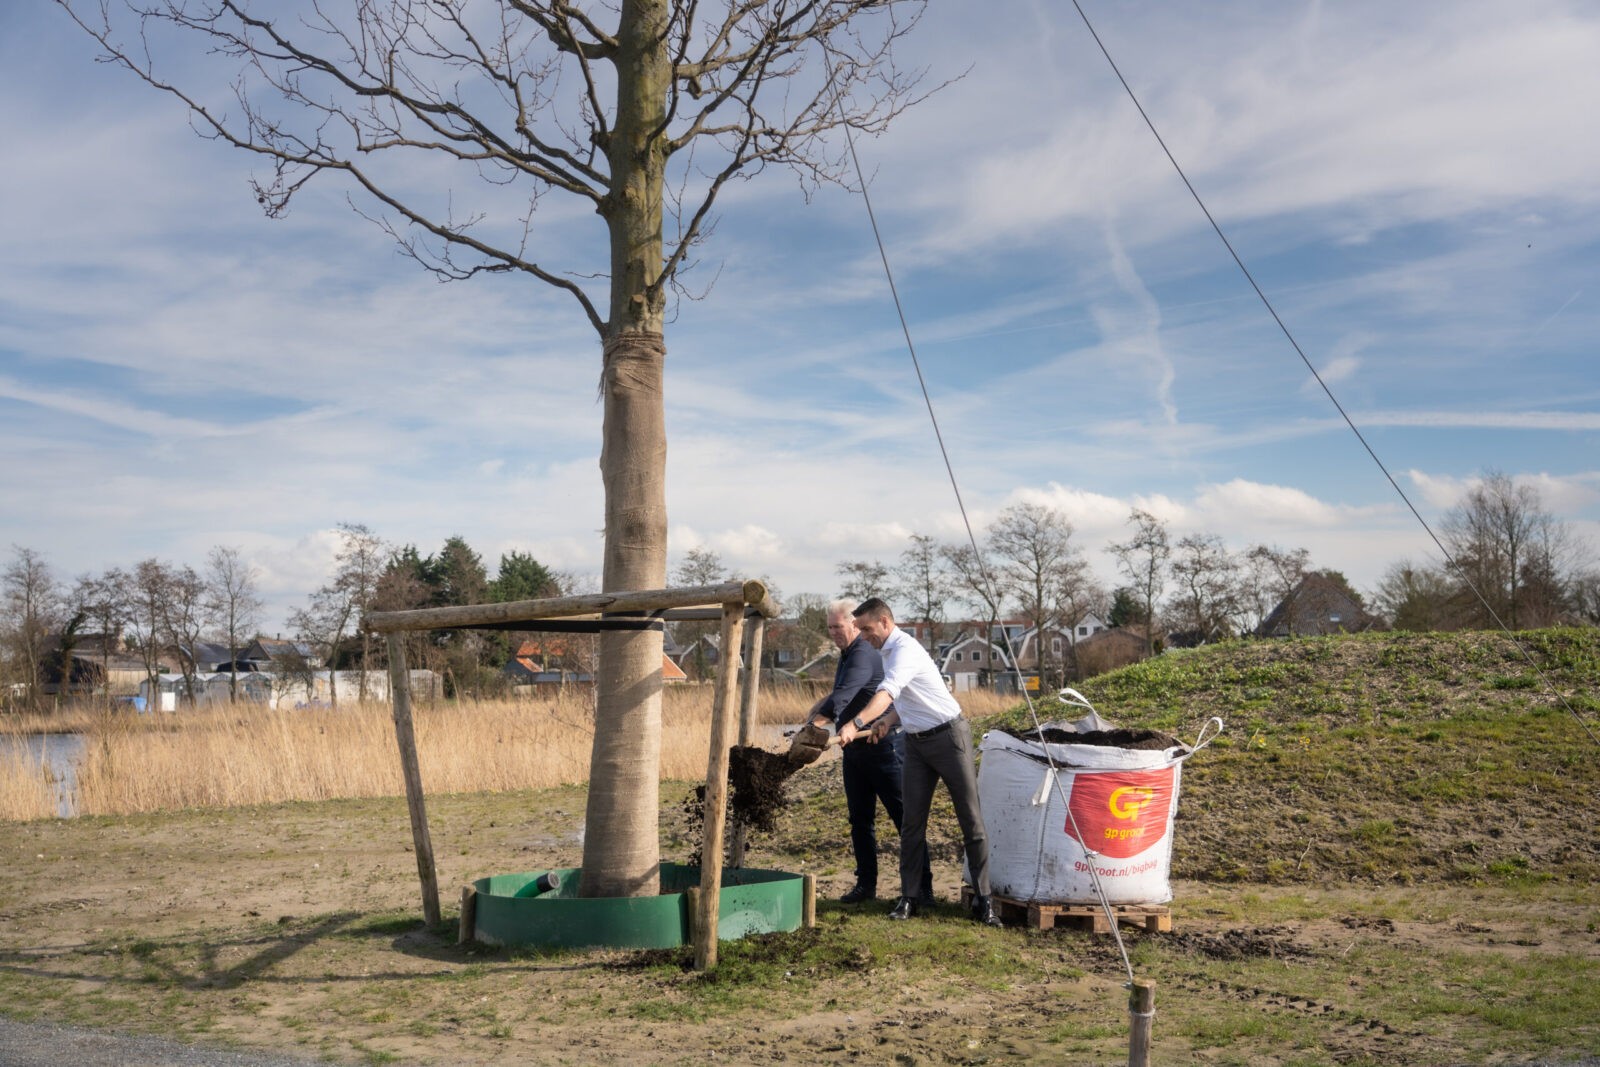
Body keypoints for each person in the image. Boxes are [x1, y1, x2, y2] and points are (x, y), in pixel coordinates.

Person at [839, 597, 1002, 926]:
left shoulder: (904, 650)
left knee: (970, 819)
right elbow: (907, 695)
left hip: (949, 737)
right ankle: (910, 897)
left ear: (886, 622)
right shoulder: (885, 651)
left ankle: (985, 901)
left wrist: (856, 723)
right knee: (912, 824)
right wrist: (886, 721)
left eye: (867, 629)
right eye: (858, 630)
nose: (863, 636)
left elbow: (888, 690)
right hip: (915, 743)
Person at [802, 600, 932, 905]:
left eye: (839, 626)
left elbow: (840, 701)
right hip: (855, 750)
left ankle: (922, 889)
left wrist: (812, 727)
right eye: (830, 627)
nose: (834, 632)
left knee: (905, 819)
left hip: (884, 748)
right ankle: (866, 886)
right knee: (860, 820)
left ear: (854, 625)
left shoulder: (862, 652)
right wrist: (813, 714)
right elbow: (840, 693)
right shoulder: (847, 653)